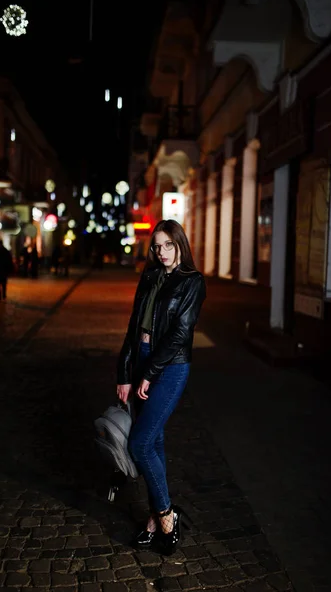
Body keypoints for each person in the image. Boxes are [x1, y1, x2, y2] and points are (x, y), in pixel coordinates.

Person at [116, 219, 206, 555]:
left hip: (170, 367)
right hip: (141, 357)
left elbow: (180, 335)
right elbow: (133, 325)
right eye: (157, 246)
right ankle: (156, 518)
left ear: (180, 243)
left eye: (169, 245)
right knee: (154, 441)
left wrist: (149, 373)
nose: (162, 252)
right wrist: (125, 372)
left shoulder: (192, 282)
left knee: (139, 444)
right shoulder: (151, 275)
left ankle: (166, 515)